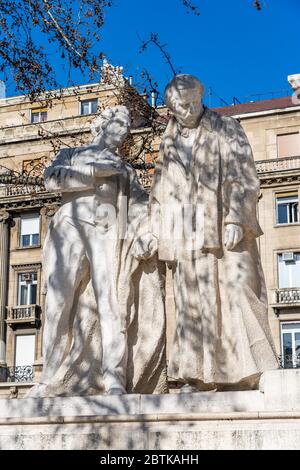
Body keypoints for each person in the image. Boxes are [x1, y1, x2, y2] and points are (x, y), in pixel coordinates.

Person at [147, 74, 278, 390]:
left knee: (238, 292)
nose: (187, 110)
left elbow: (244, 176)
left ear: (201, 96)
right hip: (184, 233)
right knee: (193, 301)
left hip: (221, 225)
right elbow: (159, 190)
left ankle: (248, 372)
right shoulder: (168, 142)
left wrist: (236, 217)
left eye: (191, 103)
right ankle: (198, 375)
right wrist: (154, 230)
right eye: (179, 107)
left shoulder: (226, 128)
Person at [28, 105, 166, 397]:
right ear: (102, 125)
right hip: (68, 227)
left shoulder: (125, 169)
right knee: (57, 304)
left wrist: (149, 231)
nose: (124, 131)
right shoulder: (73, 154)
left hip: (107, 229)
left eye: (127, 126)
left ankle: (113, 377)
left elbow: (140, 206)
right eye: (119, 123)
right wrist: (93, 173)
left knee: (112, 300)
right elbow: (51, 178)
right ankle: (48, 379)